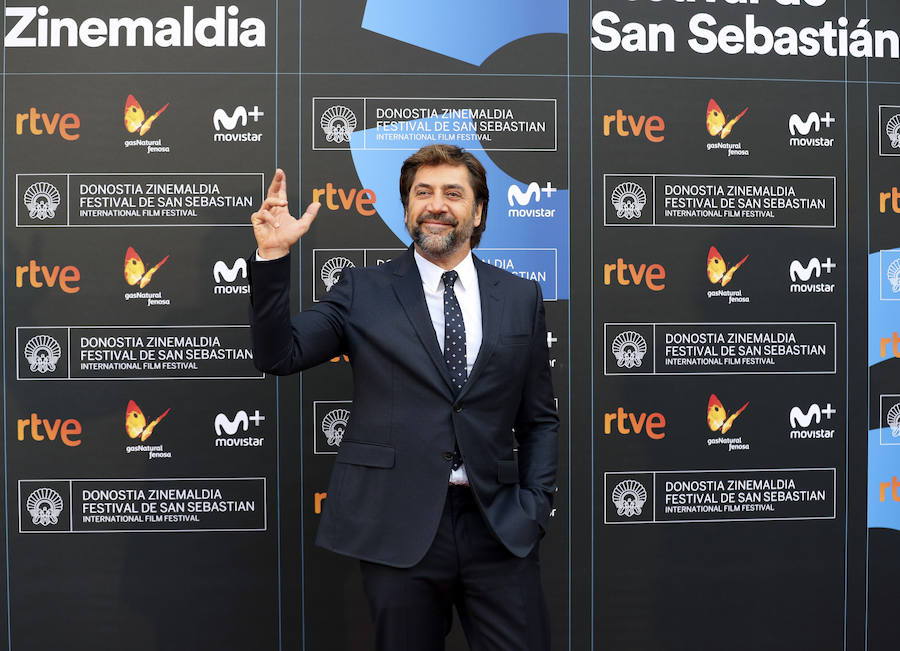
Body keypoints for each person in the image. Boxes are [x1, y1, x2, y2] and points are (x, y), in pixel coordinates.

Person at [248, 144, 558, 651]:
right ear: (406, 208)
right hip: (398, 529)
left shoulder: (520, 296)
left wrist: (535, 505)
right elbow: (279, 354)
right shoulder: (363, 289)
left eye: (453, 193)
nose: (436, 205)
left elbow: (540, 419)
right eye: (423, 193)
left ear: (477, 212)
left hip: (499, 526)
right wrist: (274, 256)